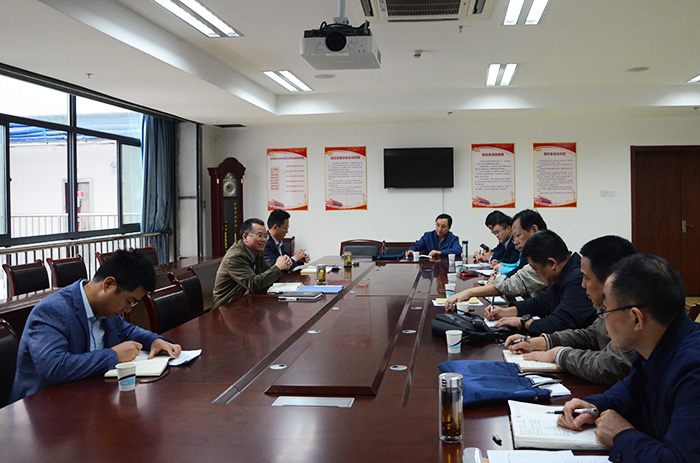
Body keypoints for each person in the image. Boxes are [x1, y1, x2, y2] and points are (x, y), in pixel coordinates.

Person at [557, 254, 700, 462]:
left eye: (606, 310)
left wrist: (621, 435)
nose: (603, 318)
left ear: (636, 318)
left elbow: (680, 459)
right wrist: (592, 405)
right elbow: (630, 389)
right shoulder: (656, 341)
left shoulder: (692, 370)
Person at [9, 250, 181, 403]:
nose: (128, 310)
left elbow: (127, 330)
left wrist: (155, 341)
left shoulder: (105, 309)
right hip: (43, 409)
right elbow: (54, 368)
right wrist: (113, 356)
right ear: (108, 284)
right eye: (129, 301)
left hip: (87, 398)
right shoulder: (52, 310)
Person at [505, 235, 637, 387]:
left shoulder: (632, 313)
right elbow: (592, 335)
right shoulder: (611, 306)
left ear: (610, 280)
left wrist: (558, 354)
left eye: (586, 278)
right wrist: (542, 342)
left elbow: (610, 366)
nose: (583, 285)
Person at [485, 230, 596, 336]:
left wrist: (522, 322)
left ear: (552, 263)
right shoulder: (564, 273)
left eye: (535, 268)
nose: (535, 273)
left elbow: (559, 324)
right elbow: (542, 303)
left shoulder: (578, 280)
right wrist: (506, 312)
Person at [446, 209, 547, 310]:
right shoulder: (534, 254)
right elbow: (519, 273)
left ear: (534, 230)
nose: (515, 242)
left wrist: (469, 293)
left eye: (518, 236)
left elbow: (513, 284)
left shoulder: (543, 257)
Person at [212, 218, 292, 308]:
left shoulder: (256, 252)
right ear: (245, 237)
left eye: (266, 236)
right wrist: (277, 267)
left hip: (245, 303)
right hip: (226, 308)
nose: (264, 240)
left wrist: (285, 266)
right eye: (259, 236)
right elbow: (253, 284)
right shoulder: (235, 257)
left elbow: (267, 275)